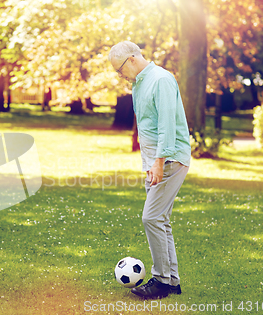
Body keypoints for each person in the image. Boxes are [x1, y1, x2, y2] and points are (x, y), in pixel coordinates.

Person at [108, 41, 191, 299]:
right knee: (161, 220)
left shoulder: (160, 80)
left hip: (169, 159)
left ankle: (161, 280)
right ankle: (172, 280)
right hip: (154, 163)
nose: (120, 75)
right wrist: (149, 164)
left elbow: (166, 124)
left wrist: (158, 161)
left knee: (151, 218)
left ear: (132, 59)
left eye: (120, 69)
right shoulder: (139, 84)